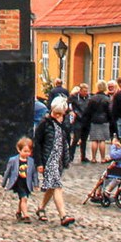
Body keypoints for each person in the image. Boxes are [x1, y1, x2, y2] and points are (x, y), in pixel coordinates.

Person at [32, 96, 75, 226]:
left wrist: (67, 158)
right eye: (57, 113)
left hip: (59, 160)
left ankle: (41, 208)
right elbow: (37, 144)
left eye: (61, 114)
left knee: (51, 188)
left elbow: (65, 141)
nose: (59, 116)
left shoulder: (63, 124)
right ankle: (63, 216)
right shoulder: (44, 124)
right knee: (57, 186)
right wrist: (39, 163)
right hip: (48, 160)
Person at [2, 136, 38, 222]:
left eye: (29, 151)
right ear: (19, 149)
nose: (27, 153)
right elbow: (7, 172)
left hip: (27, 183)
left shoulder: (31, 161)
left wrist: (36, 183)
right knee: (24, 198)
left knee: (23, 198)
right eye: (25, 151)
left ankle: (19, 212)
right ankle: (26, 216)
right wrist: (4, 183)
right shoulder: (13, 160)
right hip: (18, 182)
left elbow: (34, 173)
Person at [82, 85, 110, 162]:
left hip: (94, 120)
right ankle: (102, 158)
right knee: (102, 140)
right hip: (104, 120)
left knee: (94, 140)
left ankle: (93, 158)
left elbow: (88, 111)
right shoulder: (107, 99)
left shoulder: (92, 98)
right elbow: (109, 111)